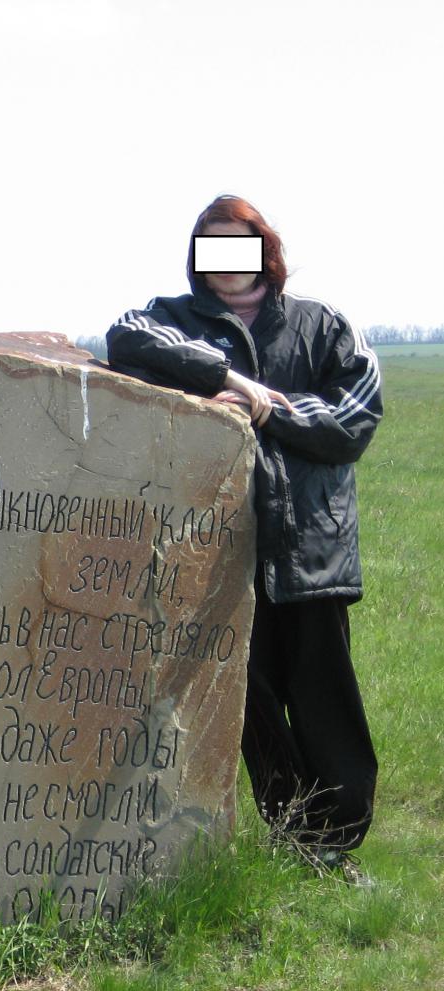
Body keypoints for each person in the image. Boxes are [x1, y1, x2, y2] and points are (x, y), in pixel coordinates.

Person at [105, 194, 382, 884]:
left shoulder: (321, 324)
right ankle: (296, 835)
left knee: (323, 697)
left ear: (266, 250)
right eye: (213, 248)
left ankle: (338, 837)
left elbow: (355, 417)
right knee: (249, 701)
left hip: (310, 549)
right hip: (214, 552)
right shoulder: (171, 317)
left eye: (240, 245)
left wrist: (265, 410)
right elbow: (125, 337)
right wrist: (224, 379)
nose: (227, 263)